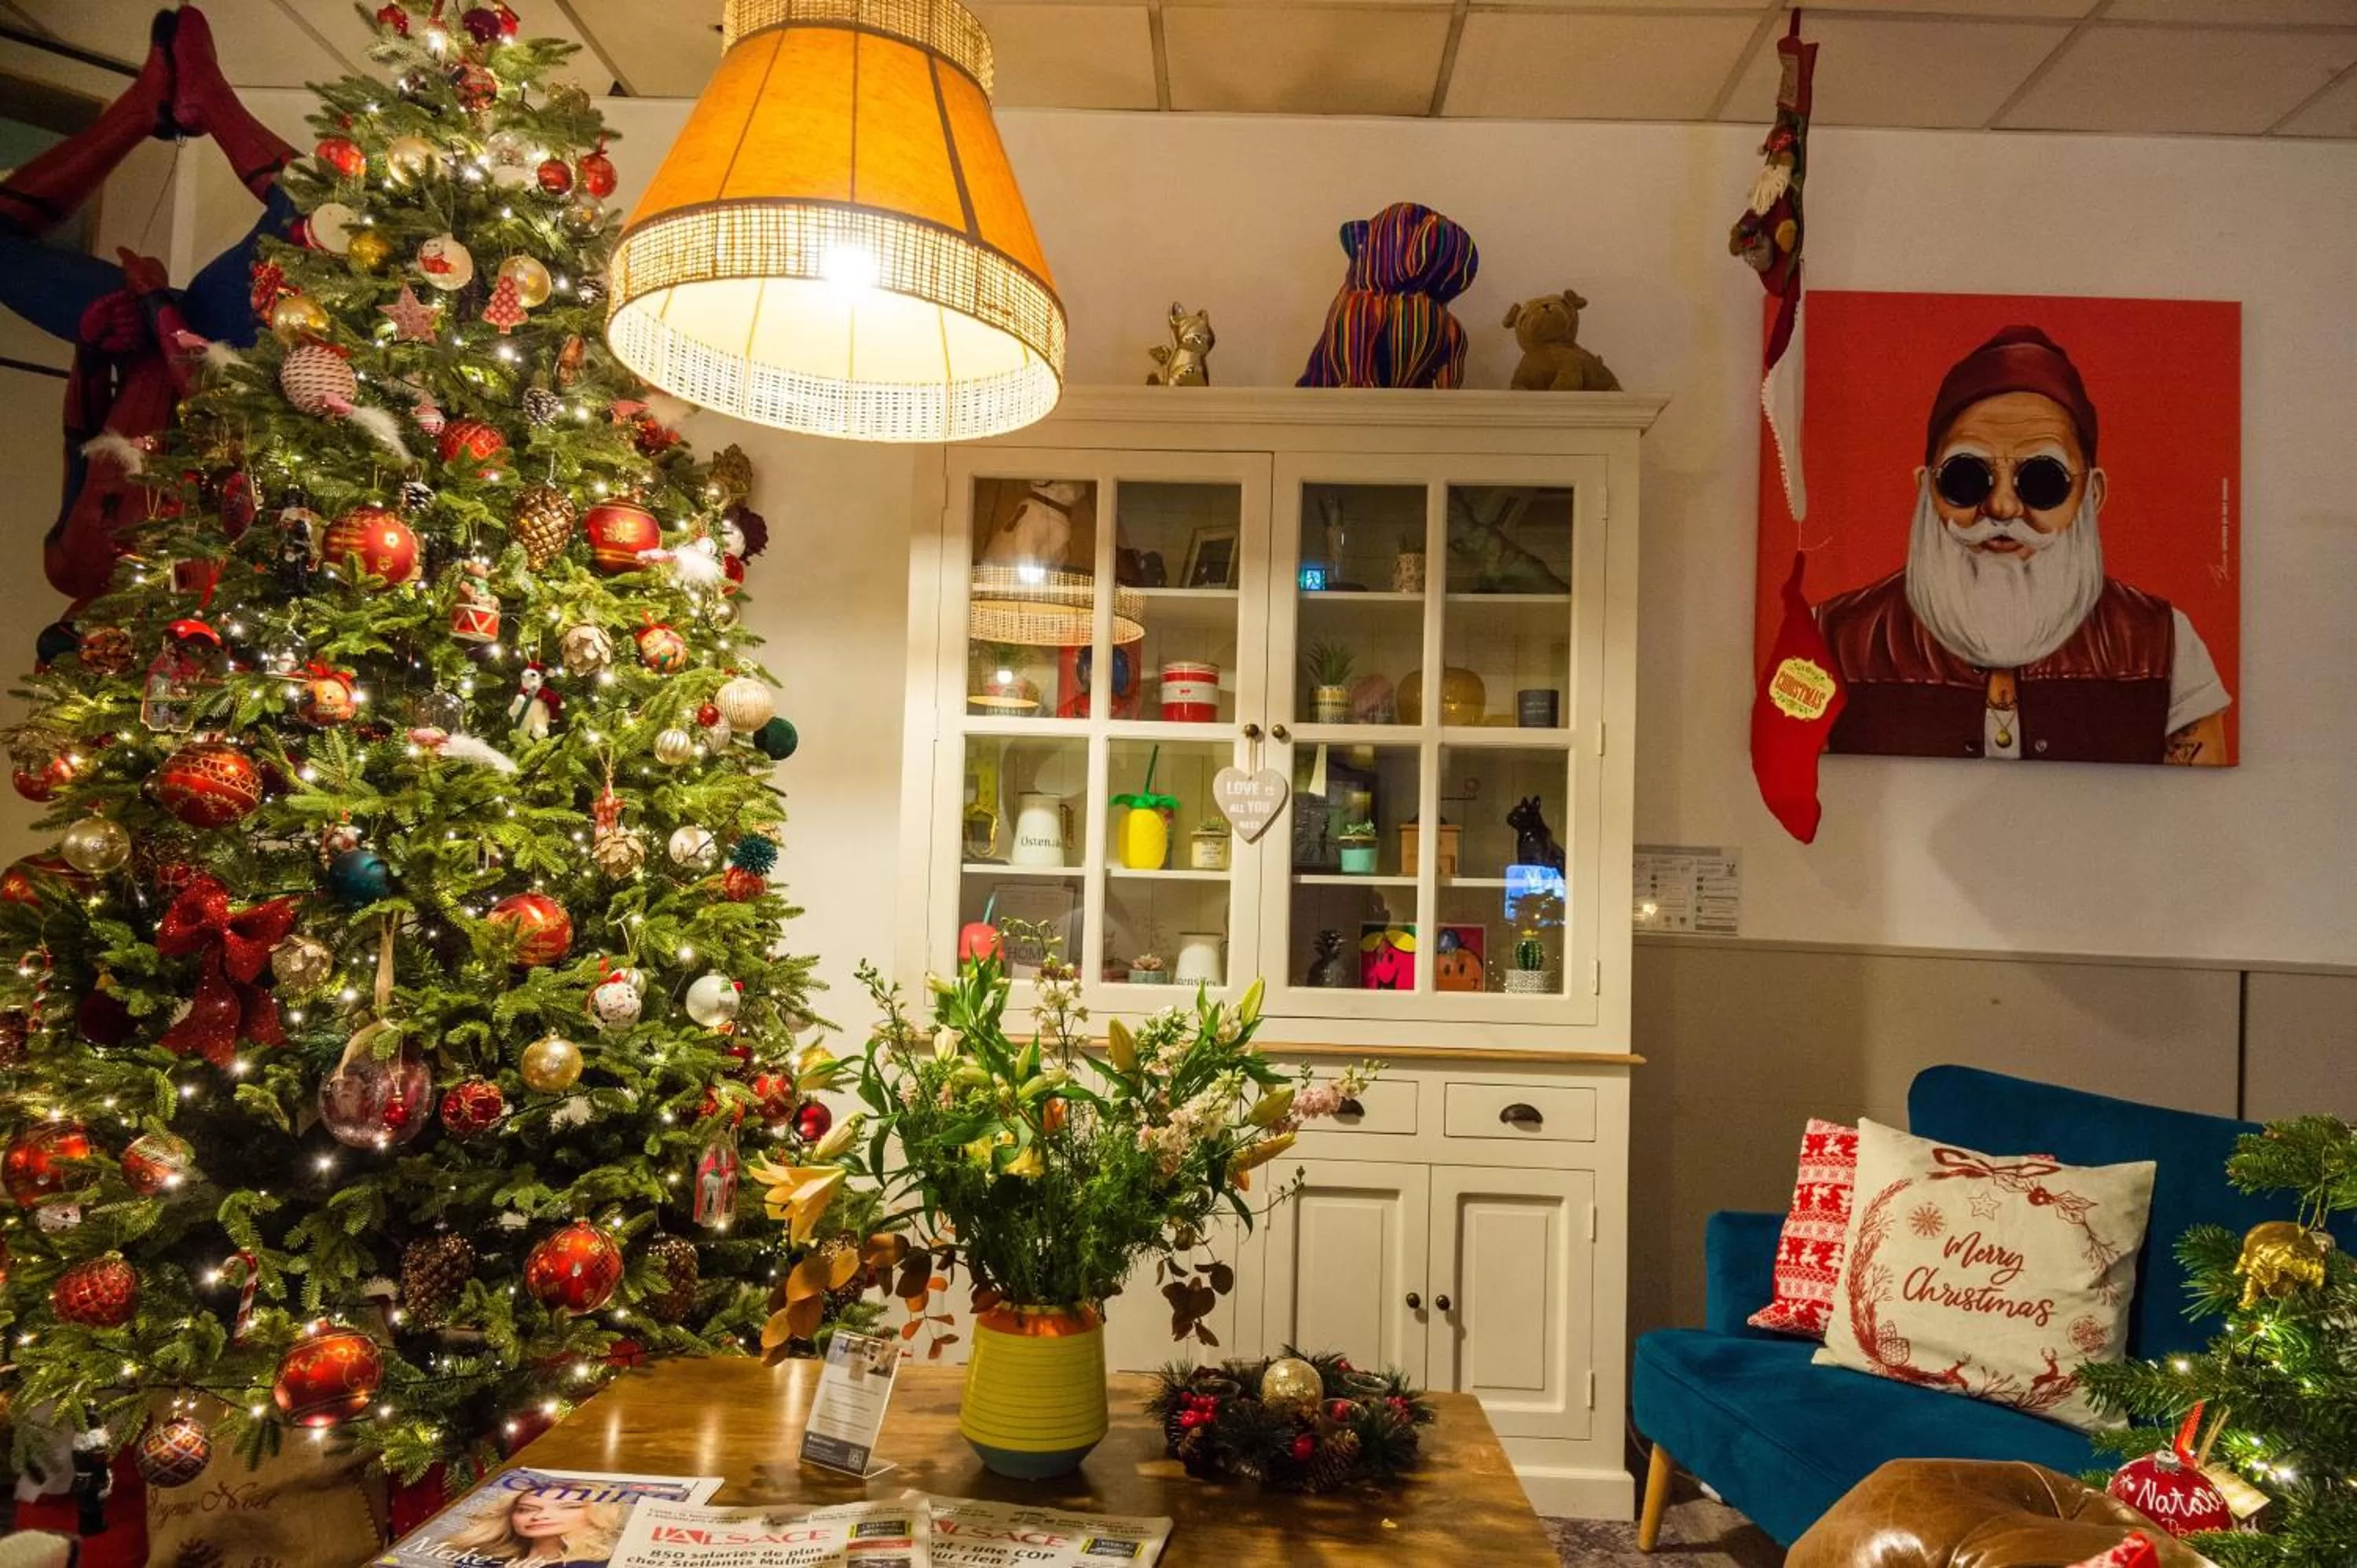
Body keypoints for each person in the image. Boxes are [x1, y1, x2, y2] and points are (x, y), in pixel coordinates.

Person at [1815, 325, 2232, 764]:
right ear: (1926, 488)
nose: (2002, 507)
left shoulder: (2163, 643)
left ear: (2092, 495)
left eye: (2041, 480)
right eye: (1966, 478)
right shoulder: (1834, 638)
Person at [0, 5, 297, 609]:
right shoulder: (205, 600)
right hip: (216, 347)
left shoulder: (68, 564)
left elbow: (81, 436)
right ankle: (209, 101)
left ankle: (145, 110)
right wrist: (158, 304)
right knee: (327, 223)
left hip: (135, 344)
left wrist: (94, 340)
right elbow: (230, 437)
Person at [438, 1484, 630, 1566]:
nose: (541, 1516)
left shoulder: (597, 1566)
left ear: (595, 1515)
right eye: (526, 1509)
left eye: (566, 1507)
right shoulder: (478, 1561)